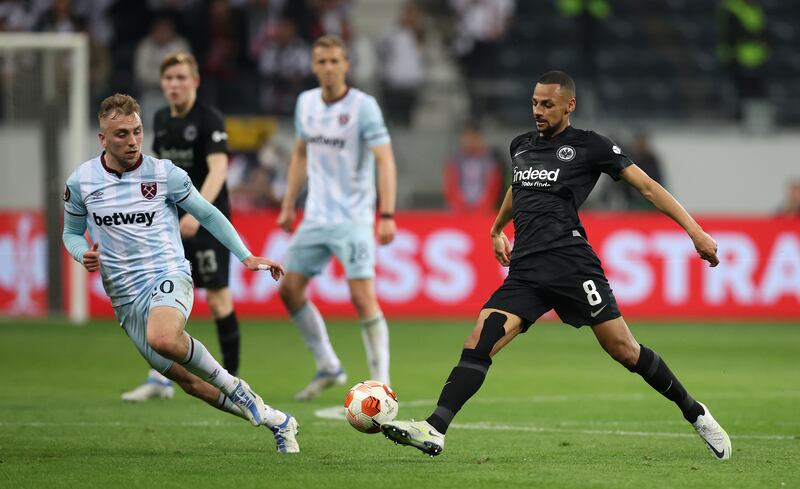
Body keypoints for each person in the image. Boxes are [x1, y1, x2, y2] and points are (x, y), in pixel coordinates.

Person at [381, 71, 732, 460]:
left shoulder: (590, 146)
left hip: (571, 264)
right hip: (527, 270)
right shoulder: (521, 146)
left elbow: (647, 186)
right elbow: (518, 188)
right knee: (480, 339)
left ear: (570, 105)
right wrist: (497, 228)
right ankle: (435, 428)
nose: (538, 111)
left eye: (547, 104)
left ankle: (695, 413)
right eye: (534, 103)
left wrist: (696, 232)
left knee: (624, 350)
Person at [62, 93, 299, 453]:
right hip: (124, 298)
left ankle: (236, 387)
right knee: (192, 383)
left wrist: (246, 255)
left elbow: (207, 213)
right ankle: (277, 421)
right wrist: (83, 255)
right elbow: (71, 233)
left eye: (137, 131)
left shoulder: (163, 174)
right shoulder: (81, 183)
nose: (132, 140)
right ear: (103, 139)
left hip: (167, 274)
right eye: (122, 134)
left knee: (164, 338)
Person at [277, 35, 397, 401]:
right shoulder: (306, 103)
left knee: (362, 298)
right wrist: (287, 204)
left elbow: (384, 159)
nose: (328, 68)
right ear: (313, 66)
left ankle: (381, 383)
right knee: (288, 288)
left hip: (354, 218)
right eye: (321, 61)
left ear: (346, 65)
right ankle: (328, 364)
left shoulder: (364, 107)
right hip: (315, 217)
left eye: (334, 61)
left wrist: (386, 214)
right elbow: (300, 153)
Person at [121, 52, 243, 403]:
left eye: (180, 78)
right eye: (169, 79)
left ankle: (233, 379)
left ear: (195, 81)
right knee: (157, 296)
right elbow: (153, 170)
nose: (174, 85)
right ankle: (159, 379)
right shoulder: (158, 118)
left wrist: (195, 213)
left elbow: (218, 170)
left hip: (207, 221)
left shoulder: (209, 118)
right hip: (169, 226)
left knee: (219, 299)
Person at [443, 122, 504, 212]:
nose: (469, 141)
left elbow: (493, 187)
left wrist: (484, 206)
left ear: (479, 138)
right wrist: (460, 206)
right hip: (459, 210)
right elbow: (450, 187)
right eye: (466, 137)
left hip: (484, 210)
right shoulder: (454, 162)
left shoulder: (490, 162)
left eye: (473, 137)